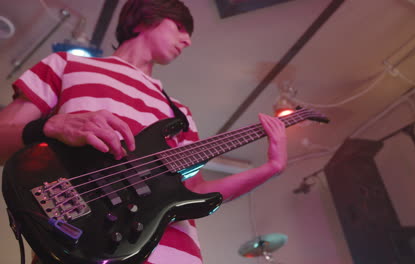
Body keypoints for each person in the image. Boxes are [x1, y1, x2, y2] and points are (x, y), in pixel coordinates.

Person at [0, 0, 287, 263]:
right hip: (81, 246)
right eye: (179, 28)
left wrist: (270, 168)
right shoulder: (68, 64)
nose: (187, 40)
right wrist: (51, 125)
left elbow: (195, 190)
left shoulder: (181, 113)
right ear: (144, 17)